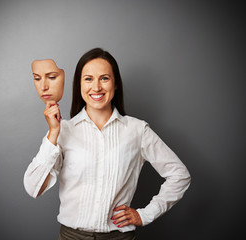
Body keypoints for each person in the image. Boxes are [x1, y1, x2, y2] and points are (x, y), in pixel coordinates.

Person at [24, 48, 191, 239]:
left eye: (104, 78)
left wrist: (145, 215)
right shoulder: (63, 130)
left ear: (116, 84)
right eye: (88, 79)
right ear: (79, 84)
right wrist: (53, 133)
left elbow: (180, 175)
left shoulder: (137, 130)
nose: (96, 87)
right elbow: (33, 188)